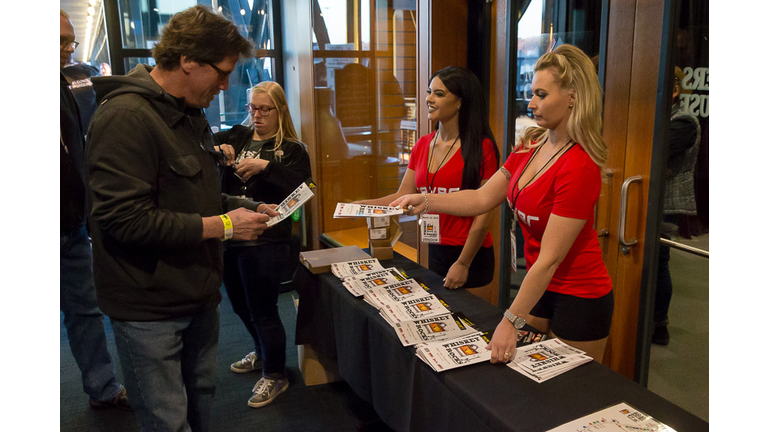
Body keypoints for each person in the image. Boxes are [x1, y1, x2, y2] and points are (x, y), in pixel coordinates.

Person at [86, 6, 277, 431]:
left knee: (199, 406)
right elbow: (125, 221)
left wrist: (236, 206)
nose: (226, 85)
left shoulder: (187, 112)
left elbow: (191, 193)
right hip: (149, 308)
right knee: (167, 420)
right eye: (222, 72)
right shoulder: (125, 117)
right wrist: (226, 227)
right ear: (188, 60)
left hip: (197, 296)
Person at [392, 45, 613, 363]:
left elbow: (550, 258)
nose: (532, 103)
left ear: (573, 96)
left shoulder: (580, 165)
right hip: (539, 286)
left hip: (580, 293)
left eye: (541, 94)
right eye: (531, 93)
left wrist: (510, 320)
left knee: (568, 397)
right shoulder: (530, 144)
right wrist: (426, 200)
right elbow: (482, 197)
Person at [214, 81, 311, 407]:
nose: (256, 115)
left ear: (280, 110)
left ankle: (275, 373)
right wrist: (218, 151)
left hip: (267, 240)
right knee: (240, 306)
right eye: (252, 108)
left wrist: (266, 167)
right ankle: (263, 352)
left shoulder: (292, 148)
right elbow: (199, 145)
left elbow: (302, 191)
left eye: (264, 109)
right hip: (230, 235)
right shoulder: (237, 136)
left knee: (263, 309)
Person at [358, 66, 499, 289]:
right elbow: (403, 196)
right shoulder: (422, 145)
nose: (429, 99)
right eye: (429, 92)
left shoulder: (483, 148)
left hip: (470, 254)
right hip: (434, 247)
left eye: (439, 94)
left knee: (470, 321)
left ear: (461, 101)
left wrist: (463, 263)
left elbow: (484, 212)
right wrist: (361, 206)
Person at [59, 9, 130, 411]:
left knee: (86, 311)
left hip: (71, 225)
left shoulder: (71, 83)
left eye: (70, 41)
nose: (69, 48)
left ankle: (103, 388)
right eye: (60, 42)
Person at [653, 67, 701, 345]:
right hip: (650, 198)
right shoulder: (661, 117)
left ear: (673, 91)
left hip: (665, 203)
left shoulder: (684, 121)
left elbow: (654, 150)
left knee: (659, 263)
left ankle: (659, 324)